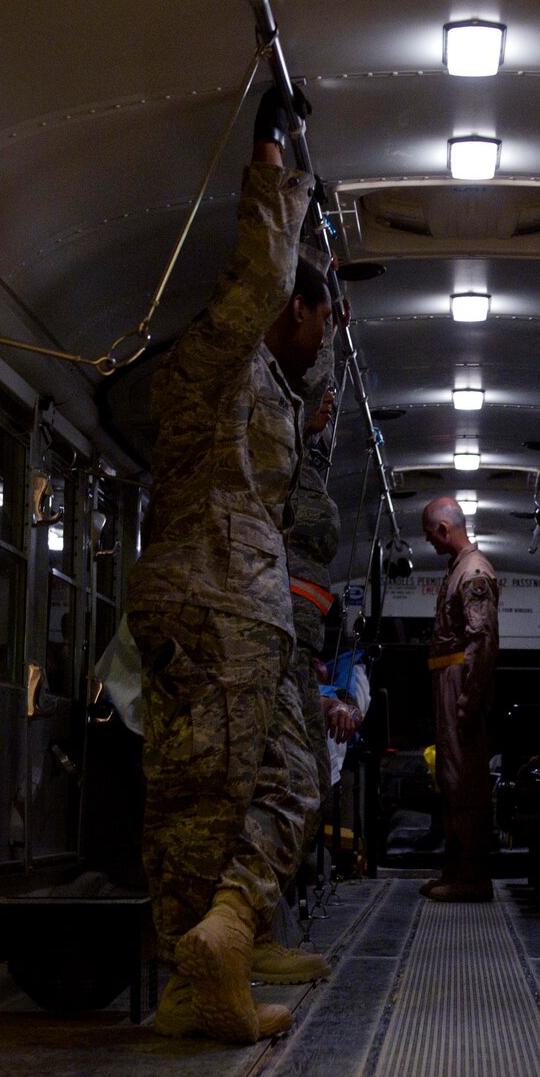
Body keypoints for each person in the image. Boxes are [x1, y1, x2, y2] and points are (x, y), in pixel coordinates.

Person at [124, 82, 329, 1044]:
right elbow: (254, 283)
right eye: (316, 322)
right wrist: (276, 166)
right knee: (231, 788)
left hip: (196, 590)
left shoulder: (247, 387)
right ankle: (215, 949)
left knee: (225, 783)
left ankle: (212, 951)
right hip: (220, 596)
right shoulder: (216, 356)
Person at [246, 351, 343, 985]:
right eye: (320, 394)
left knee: (303, 781)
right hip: (265, 640)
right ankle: (247, 928)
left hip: (297, 651)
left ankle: (255, 924)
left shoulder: (309, 461)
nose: (330, 406)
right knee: (290, 782)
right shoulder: (267, 456)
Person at [418, 497, 501, 902]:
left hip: (459, 684)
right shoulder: (458, 569)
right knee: (450, 777)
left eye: (430, 534)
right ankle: (455, 868)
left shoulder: (472, 572)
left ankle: (472, 877)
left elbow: (481, 639)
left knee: (465, 779)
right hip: (448, 682)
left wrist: (468, 696)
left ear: (444, 530)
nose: (430, 543)